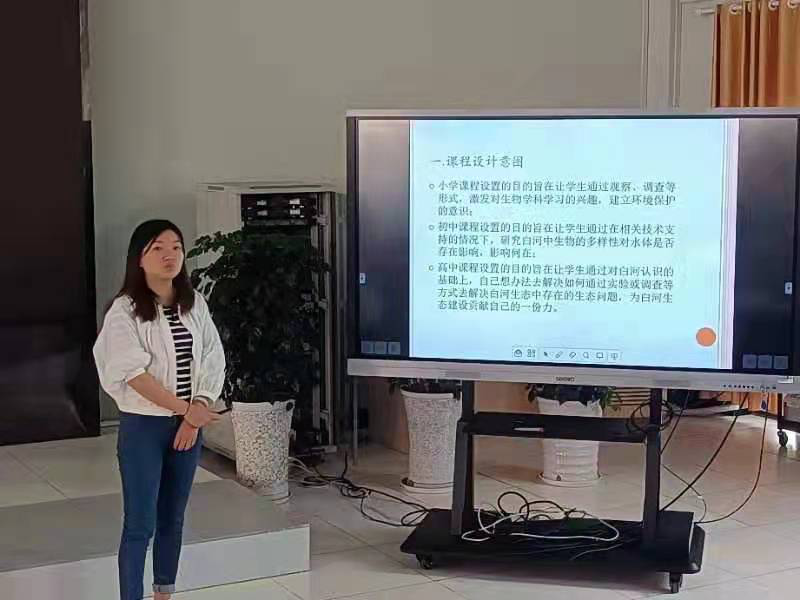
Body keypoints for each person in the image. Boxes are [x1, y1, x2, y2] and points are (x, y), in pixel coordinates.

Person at [93, 220, 225, 600]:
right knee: (140, 523)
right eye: (158, 248)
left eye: (176, 247)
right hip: (144, 428)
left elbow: (213, 358)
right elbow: (133, 375)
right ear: (139, 258)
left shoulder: (194, 304)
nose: (170, 256)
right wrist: (187, 411)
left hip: (188, 425)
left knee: (173, 517)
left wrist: (196, 410)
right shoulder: (124, 311)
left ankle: (164, 593)